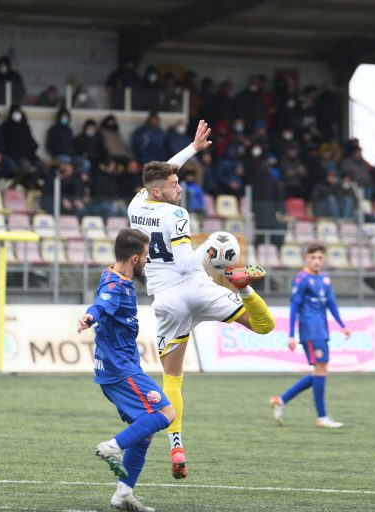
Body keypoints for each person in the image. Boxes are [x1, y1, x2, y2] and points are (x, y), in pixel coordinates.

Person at [127, 120, 275, 478]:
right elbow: (185, 262)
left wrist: (193, 148)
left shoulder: (136, 204)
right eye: (174, 185)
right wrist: (211, 244)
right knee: (263, 326)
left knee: (173, 379)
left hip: (166, 300)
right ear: (159, 192)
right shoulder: (176, 214)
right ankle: (244, 287)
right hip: (196, 287)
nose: (180, 187)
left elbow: (166, 170)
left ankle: (176, 446)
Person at [77, 228, 175, 512]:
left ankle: (123, 494)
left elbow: (104, 303)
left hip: (118, 366)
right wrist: (89, 316)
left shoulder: (113, 274)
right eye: (145, 256)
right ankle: (113, 446)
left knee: (144, 431)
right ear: (134, 258)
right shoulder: (116, 284)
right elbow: (101, 304)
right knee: (166, 413)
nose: (146, 260)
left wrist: (93, 314)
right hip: (120, 369)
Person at [270, 244, 350, 429]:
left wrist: (343, 325)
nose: (316, 261)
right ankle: (321, 417)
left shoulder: (325, 279)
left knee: (320, 370)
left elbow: (332, 304)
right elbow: (294, 307)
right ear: (306, 259)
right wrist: (291, 335)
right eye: (313, 257)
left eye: (320, 258)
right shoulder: (301, 279)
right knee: (320, 370)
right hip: (310, 330)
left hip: (322, 330)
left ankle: (282, 400)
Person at [2, 106, 45, 189]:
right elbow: (6, 144)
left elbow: (31, 141)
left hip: (30, 154)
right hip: (17, 155)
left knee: (43, 165)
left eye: (18, 113)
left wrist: (33, 147)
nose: (17, 115)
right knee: (25, 166)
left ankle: (30, 182)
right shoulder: (6, 126)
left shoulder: (25, 126)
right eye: (15, 113)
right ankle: (14, 184)